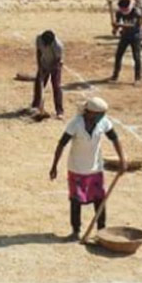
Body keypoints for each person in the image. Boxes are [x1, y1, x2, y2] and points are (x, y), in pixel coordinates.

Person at [49, 97, 128, 241]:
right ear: (90, 112)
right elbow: (61, 144)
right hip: (77, 168)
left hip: (96, 168)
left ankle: (101, 231)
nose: (102, 116)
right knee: (76, 200)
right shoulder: (75, 124)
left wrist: (122, 159)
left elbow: (114, 139)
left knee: (100, 199)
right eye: (100, 114)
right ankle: (75, 231)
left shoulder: (103, 122)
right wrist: (54, 166)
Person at [110, 0, 142, 84]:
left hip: (135, 37)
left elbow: (135, 25)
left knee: (136, 57)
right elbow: (117, 24)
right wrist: (115, 29)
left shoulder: (136, 12)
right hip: (125, 36)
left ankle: (138, 78)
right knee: (118, 55)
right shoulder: (119, 12)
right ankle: (115, 75)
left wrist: (119, 25)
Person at [32, 30, 65, 119]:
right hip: (44, 64)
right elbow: (38, 52)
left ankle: (59, 111)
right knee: (39, 84)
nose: (45, 45)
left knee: (56, 86)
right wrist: (40, 66)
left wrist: (49, 69)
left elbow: (57, 60)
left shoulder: (58, 46)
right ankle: (36, 106)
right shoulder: (39, 39)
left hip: (56, 65)